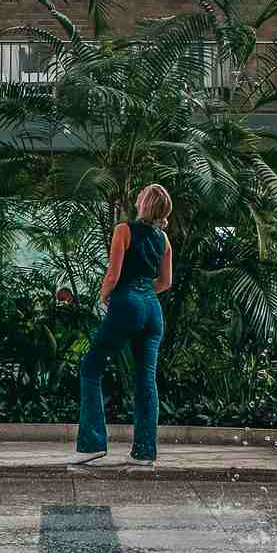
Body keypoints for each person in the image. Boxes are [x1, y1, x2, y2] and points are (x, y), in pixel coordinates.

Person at [66, 183, 173, 470]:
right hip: (152, 310)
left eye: (141, 194)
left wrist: (104, 297)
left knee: (91, 367)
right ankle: (144, 453)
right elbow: (165, 283)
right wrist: (142, 290)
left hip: (126, 303)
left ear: (144, 203)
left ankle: (92, 445)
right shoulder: (163, 239)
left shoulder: (124, 230)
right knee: (145, 380)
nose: (137, 196)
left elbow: (113, 275)